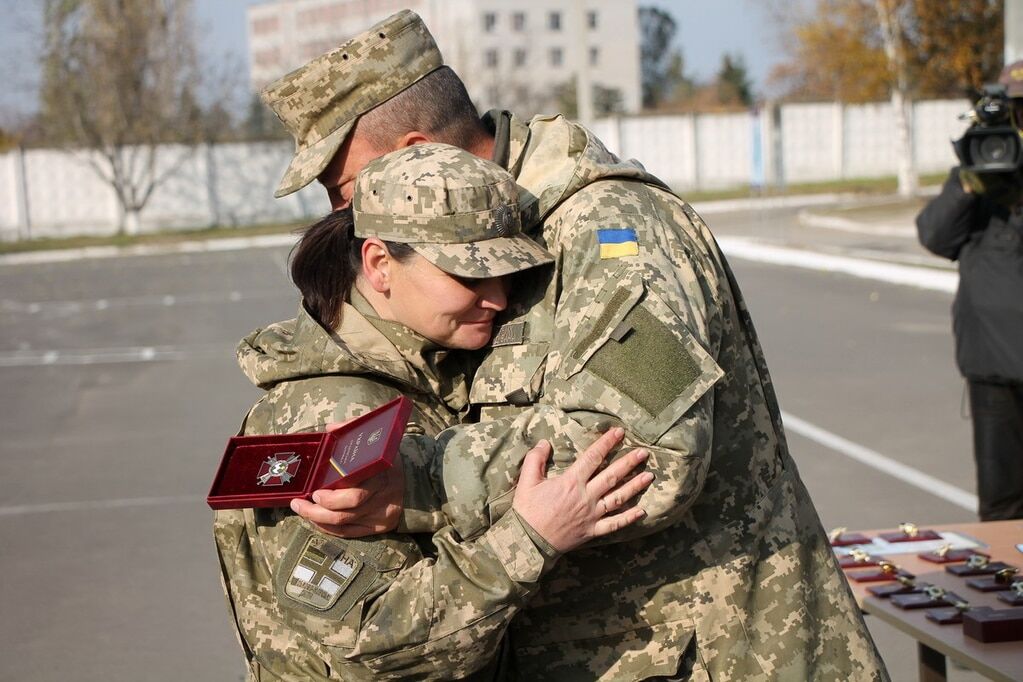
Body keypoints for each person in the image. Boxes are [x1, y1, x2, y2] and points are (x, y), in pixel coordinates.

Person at [261, 10, 888, 680]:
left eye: (348, 193)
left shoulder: (609, 231)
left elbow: (644, 450)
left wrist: (418, 479)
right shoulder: (485, 238)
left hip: (720, 653)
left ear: (417, 157)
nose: (343, 223)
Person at [214, 143, 653, 680]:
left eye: (508, 275)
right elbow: (372, 647)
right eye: (469, 277)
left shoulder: (427, 366)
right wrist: (529, 540)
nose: (496, 298)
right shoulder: (333, 414)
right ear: (379, 264)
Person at [915, 61, 1023, 522]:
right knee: (1002, 504)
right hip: (993, 369)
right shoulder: (980, 164)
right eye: (1017, 107)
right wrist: (968, 182)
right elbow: (936, 237)